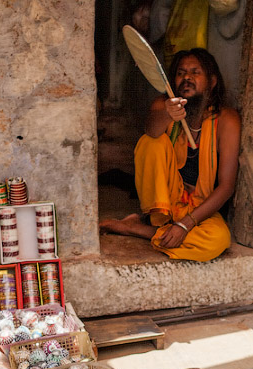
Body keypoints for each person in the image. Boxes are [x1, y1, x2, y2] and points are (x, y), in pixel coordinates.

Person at [99, 48, 240, 262]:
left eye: (195, 72)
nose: (187, 78)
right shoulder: (162, 105)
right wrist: (167, 114)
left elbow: (226, 186)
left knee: (217, 240)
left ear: (212, 82)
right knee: (151, 141)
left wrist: (186, 224)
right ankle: (158, 222)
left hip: (199, 209)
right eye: (181, 73)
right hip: (166, 205)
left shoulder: (227, 119)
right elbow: (151, 131)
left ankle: (135, 228)